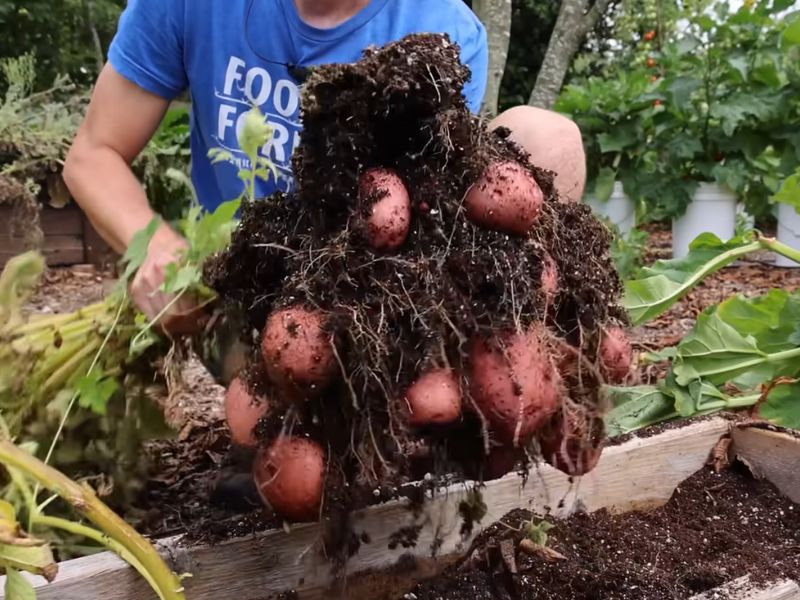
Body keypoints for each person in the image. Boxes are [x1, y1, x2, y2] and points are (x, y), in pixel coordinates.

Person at [63, 0, 586, 330]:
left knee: (546, 138)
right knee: (276, 429)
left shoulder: (441, 27)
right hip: (239, 293)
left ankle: (490, 359)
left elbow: (437, 210)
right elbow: (92, 154)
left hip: (375, 293)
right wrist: (154, 246)